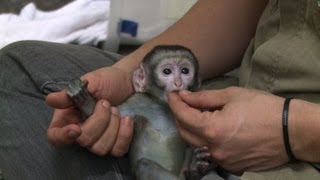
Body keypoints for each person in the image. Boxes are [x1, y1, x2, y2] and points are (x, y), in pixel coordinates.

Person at [0, 0, 319, 179]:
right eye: (168, 72)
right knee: (19, 68)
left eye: (182, 73)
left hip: (302, 153)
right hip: (245, 90)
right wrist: (124, 76)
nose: (178, 83)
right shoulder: (150, 90)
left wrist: (294, 131)